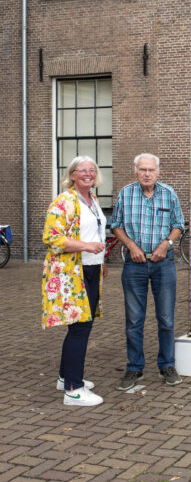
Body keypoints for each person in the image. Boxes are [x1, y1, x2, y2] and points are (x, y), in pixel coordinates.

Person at [112, 153, 185, 390]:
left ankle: (167, 365)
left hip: (164, 264)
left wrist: (166, 244)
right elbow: (116, 226)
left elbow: (178, 225)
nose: (146, 174)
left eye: (151, 170)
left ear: (158, 172)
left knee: (165, 319)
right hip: (135, 264)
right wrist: (131, 246)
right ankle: (134, 367)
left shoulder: (169, 193)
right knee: (134, 320)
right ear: (135, 171)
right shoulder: (125, 193)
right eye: (142, 169)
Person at [42, 155, 107, 406]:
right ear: (72, 175)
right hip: (72, 271)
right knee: (80, 327)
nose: (88, 174)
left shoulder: (91, 198)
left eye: (92, 170)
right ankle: (73, 389)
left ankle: (64, 377)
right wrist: (86, 246)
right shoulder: (64, 201)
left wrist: (99, 260)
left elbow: (94, 231)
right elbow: (51, 237)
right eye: (82, 170)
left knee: (81, 325)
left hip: (90, 268)